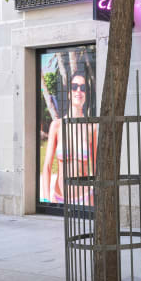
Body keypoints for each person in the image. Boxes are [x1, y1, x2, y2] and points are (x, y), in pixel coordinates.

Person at [41, 72, 97, 204]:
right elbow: (47, 167)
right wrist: (47, 200)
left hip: (85, 199)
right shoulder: (57, 126)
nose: (79, 90)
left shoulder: (91, 127)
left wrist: (97, 197)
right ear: (69, 93)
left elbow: (96, 166)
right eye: (74, 87)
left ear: (86, 95)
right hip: (59, 198)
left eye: (83, 88)